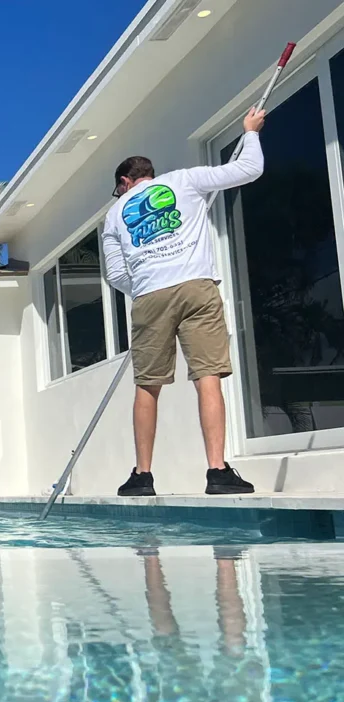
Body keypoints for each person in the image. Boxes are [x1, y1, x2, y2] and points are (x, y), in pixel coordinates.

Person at [102, 107, 266, 496]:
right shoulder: (186, 180)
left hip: (148, 295)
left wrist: (144, 285)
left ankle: (142, 476)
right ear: (150, 175)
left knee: (148, 385)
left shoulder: (113, 215)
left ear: (125, 181)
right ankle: (218, 472)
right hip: (196, 287)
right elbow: (248, 169)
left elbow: (114, 274)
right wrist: (251, 132)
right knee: (207, 377)